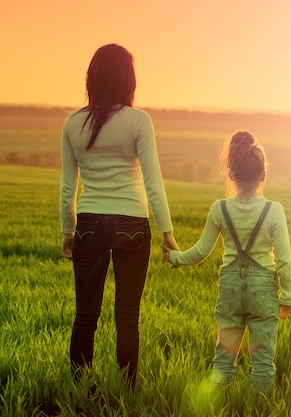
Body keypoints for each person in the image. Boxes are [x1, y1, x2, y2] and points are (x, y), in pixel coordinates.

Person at [59, 43, 179, 386]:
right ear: (129, 79)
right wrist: (167, 231)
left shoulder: (72, 122)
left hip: (89, 224)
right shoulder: (138, 120)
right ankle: (126, 390)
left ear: (92, 78)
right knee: (128, 317)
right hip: (133, 224)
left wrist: (68, 230)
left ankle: (79, 387)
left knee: (85, 316)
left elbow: (69, 185)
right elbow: (153, 181)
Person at [164, 130, 291, 390]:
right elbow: (284, 260)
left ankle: (217, 406)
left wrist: (175, 257)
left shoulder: (219, 209)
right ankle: (259, 408)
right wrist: (288, 297)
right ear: (263, 175)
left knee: (223, 363)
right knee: (263, 364)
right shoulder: (274, 211)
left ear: (231, 176)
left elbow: (201, 251)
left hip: (230, 290)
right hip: (263, 291)